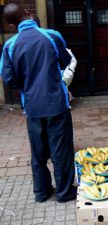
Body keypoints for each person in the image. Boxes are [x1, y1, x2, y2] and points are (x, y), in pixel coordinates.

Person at [0, 3, 77, 202]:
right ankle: (64, 192)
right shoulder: (51, 35)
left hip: (32, 106)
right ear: (26, 14)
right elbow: (65, 62)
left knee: (38, 152)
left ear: (10, 25)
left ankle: (42, 193)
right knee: (61, 150)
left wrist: (28, 86)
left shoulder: (10, 45)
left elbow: (8, 79)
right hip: (56, 104)